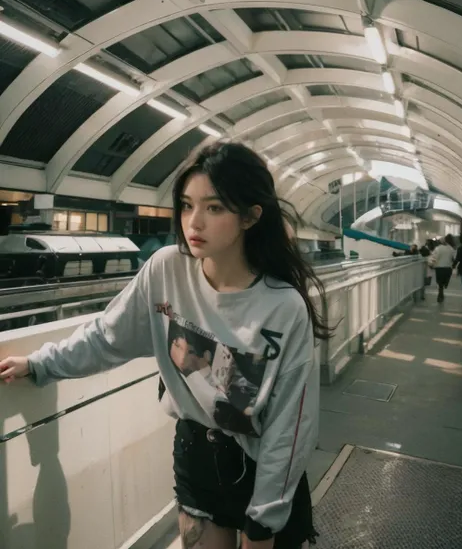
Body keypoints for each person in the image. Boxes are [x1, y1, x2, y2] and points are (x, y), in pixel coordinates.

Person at [0, 141, 329, 549]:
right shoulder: (166, 270)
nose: (194, 222)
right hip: (196, 459)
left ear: (250, 216)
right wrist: (40, 364)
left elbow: (290, 426)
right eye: (187, 205)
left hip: (261, 468)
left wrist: (263, 523)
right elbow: (108, 336)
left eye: (214, 208)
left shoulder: (283, 307)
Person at [430, 235, 456, 303]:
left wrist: (432, 265)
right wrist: (454, 265)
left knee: (440, 282)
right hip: (448, 268)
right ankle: (443, 289)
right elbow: (454, 258)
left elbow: (434, 258)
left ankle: (440, 292)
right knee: (445, 280)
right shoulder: (451, 248)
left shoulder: (437, 248)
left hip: (439, 268)